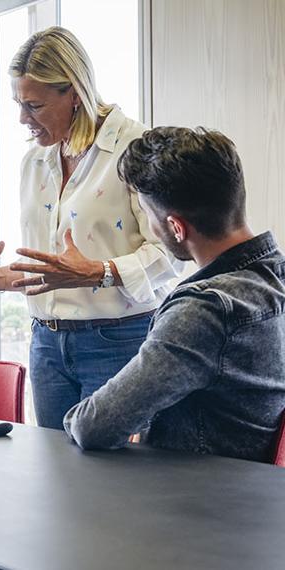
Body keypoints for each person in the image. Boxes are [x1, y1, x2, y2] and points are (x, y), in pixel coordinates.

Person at [0, 26, 180, 429]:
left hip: (119, 341)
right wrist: (6, 278)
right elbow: (57, 269)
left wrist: (100, 271)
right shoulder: (35, 160)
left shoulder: (136, 148)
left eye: (34, 106)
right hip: (46, 343)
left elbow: (171, 254)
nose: (22, 118)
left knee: (113, 484)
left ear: (74, 94)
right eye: (18, 103)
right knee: (57, 478)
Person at [64, 127, 285, 462]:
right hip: (256, 497)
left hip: (195, 502)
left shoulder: (205, 310)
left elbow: (95, 425)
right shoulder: (275, 278)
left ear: (177, 227)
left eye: (148, 217)